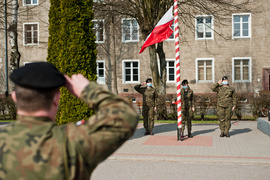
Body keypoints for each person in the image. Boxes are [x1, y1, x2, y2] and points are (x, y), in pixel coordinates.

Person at [0, 62, 138, 179]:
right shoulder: (73, 141)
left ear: (14, 97)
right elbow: (125, 114)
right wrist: (87, 90)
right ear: (56, 98)